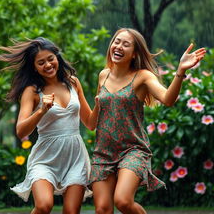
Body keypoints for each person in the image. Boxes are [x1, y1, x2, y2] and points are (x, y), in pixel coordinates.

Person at [88, 28, 206, 214]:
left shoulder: (143, 76)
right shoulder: (103, 75)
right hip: (104, 152)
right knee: (102, 209)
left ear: (135, 53)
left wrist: (180, 70)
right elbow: (97, 114)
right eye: (116, 42)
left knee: (123, 201)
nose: (118, 46)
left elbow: (167, 99)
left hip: (133, 149)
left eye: (126, 44)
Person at [0, 37, 97, 214]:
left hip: (75, 158)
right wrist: (41, 110)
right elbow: (21, 131)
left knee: (71, 211)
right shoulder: (32, 91)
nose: (48, 65)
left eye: (51, 59)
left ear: (57, 58)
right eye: (41, 62)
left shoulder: (73, 82)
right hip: (45, 159)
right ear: (34, 67)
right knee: (43, 206)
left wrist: (101, 102)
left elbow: (90, 123)